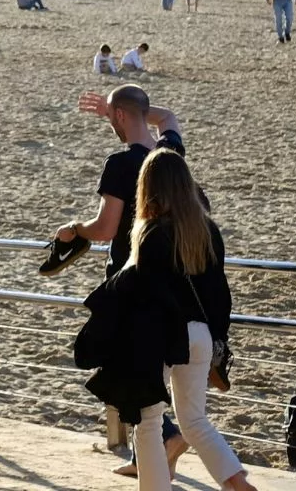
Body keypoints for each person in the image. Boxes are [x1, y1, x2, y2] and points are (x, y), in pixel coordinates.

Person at [54, 86, 190, 478]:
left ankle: (164, 437)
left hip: (130, 276)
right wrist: (122, 110)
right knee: (147, 364)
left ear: (121, 118)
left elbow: (105, 227)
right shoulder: (169, 155)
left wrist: (71, 230)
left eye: (115, 117)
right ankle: (146, 451)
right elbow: (167, 117)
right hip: (170, 274)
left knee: (126, 366)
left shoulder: (119, 163)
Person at [119, 150, 254, 491]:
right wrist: (217, 339)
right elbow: (221, 295)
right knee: (194, 419)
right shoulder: (207, 231)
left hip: (163, 335)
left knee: (147, 420)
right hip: (201, 335)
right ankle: (237, 483)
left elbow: (146, 295)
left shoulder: (151, 234)